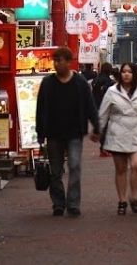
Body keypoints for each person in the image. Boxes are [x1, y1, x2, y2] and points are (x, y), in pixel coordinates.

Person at [35, 47, 100, 218]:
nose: (57, 64)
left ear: (69, 62)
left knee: (75, 166)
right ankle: (58, 203)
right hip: (53, 133)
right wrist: (40, 132)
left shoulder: (80, 83)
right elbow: (40, 108)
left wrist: (96, 126)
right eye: (55, 61)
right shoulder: (48, 83)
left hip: (74, 133)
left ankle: (72, 203)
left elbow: (90, 106)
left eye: (60, 61)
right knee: (55, 171)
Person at [98, 62, 137, 215]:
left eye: (129, 72)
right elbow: (103, 112)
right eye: (124, 71)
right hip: (117, 133)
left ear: (135, 74)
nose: (126, 74)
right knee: (121, 169)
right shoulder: (111, 91)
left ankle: (134, 197)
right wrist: (99, 130)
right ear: (120, 74)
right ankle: (122, 200)